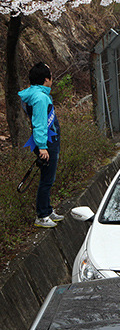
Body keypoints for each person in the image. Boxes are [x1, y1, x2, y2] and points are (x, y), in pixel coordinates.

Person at [20, 62, 63, 228]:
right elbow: (39, 123)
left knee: (48, 178)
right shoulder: (40, 98)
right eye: (50, 76)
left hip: (47, 141)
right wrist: (43, 147)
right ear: (46, 79)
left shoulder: (35, 93)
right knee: (47, 180)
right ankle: (42, 215)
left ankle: (47, 209)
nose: (52, 79)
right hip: (47, 143)